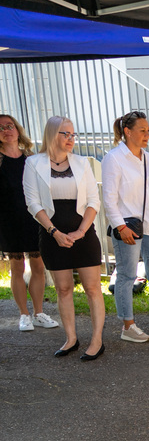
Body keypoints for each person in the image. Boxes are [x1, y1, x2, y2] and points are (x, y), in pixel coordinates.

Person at [23, 116, 106, 359]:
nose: (71, 139)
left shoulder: (82, 162)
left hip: (84, 233)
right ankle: (71, 338)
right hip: (51, 234)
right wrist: (54, 232)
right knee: (63, 288)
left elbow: (93, 201)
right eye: (65, 134)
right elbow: (33, 203)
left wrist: (81, 231)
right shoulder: (33, 163)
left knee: (93, 288)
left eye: (73, 134)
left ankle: (97, 340)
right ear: (52, 134)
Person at [102, 110, 149, 348]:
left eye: (148, 130)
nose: (147, 134)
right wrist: (120, 226)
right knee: (126, 276)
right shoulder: (113, 159)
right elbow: (109, 198)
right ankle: (128, 326)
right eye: (142, 130)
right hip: (128, 227)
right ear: (127, 131)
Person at [0, 113, 58, 332]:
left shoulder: (31, 158)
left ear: (17, 129)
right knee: (17, 267)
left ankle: (39, 313)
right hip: (8, 220)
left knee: (38, 266)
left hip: (34, 217)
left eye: (9, 126)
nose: (6, 131)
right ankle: (24, 315)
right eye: (0, 128)